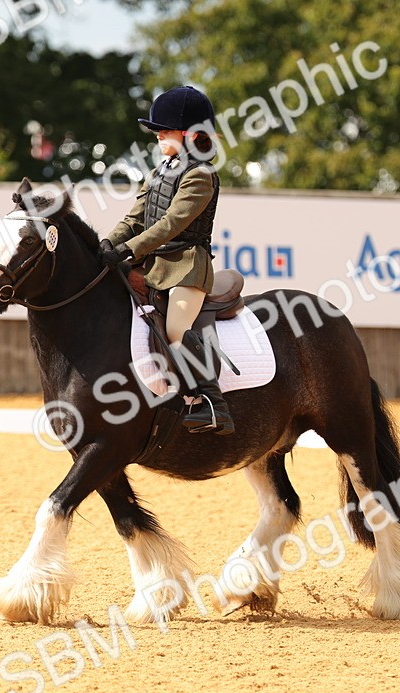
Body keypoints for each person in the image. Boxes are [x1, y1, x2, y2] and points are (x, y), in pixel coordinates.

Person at [99, 85, 234, 436]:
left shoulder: (201, 176)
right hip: (152, 265)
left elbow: (171, 223)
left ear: (190, 134)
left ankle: (210, 402)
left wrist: (129, 250)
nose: (158, 135)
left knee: (175, 328)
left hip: (187, 266)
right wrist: (105, 244)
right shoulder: (160, 172)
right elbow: (134, 218)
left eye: (165, 130)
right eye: (157, 130)